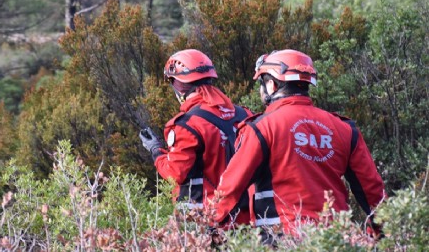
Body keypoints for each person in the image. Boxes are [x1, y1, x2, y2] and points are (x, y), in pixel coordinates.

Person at [213, 49, 386, 238]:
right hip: (337, 239)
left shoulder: (262, 128)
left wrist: (209, 227)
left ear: (272, 85)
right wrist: (380, 234)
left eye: (262, 83)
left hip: (283, 239)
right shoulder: (345, 129)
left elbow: (230, 188)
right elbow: (372, 190)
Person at [139, 49, 251, 224]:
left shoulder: (187, 125)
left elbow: (174, 174)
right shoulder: (244, 114)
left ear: (180, 85)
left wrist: (156, 151)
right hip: (246, 218)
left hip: (207, 220)